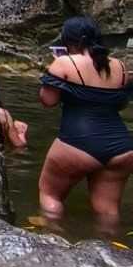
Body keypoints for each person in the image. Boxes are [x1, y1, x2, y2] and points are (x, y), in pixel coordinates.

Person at [38, 15, 133, 229]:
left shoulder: (64, 62)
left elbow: (48, 101)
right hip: (122, 147)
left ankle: (51, 242)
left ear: (70, 40)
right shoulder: (119, 66)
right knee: (108, 210)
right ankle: (111, 251)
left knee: (50, 194)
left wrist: (51, 75)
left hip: (77, 142)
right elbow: (120, 104)